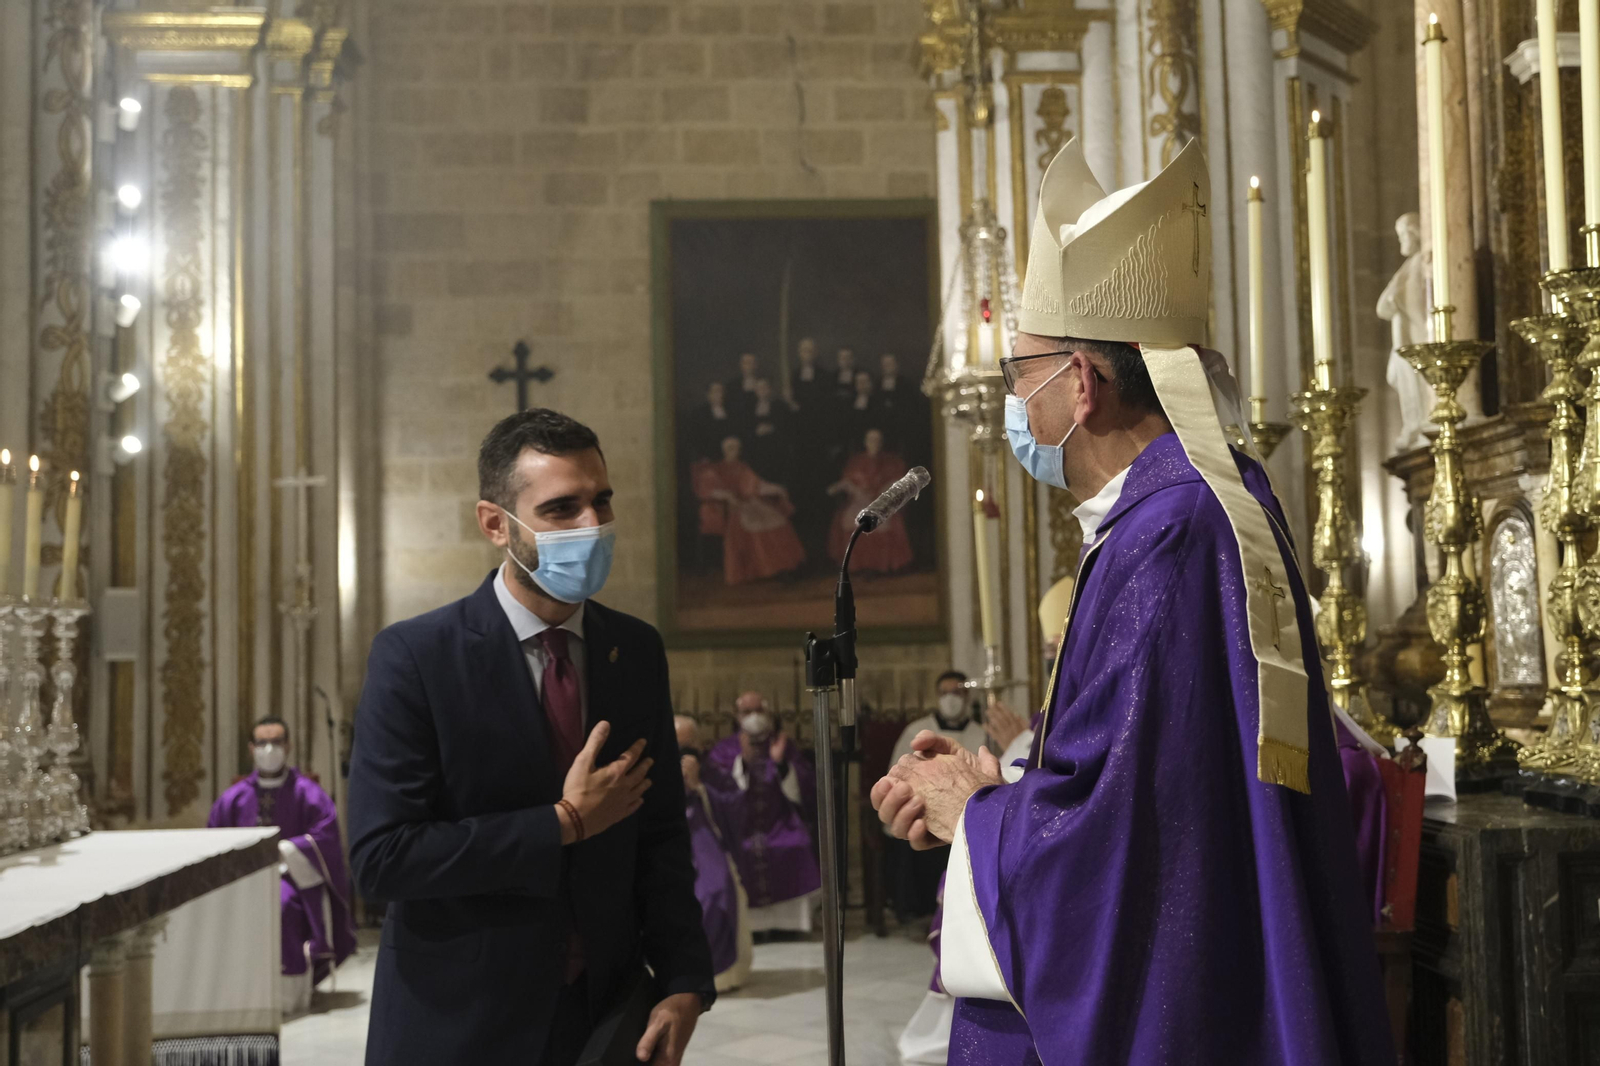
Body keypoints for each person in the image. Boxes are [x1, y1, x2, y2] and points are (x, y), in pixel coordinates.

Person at [872, 138, 1394, 1066]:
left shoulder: (1170, 533)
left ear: (1080, 383)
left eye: (1016, 374)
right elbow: (1159, 784)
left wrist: (976, 817)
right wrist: (1007, 789)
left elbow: (1125, 843)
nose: (1010, 403)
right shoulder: (1191, 505)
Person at [348, 409, 714, 1066]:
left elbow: (660, 832)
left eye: (600, 501)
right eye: (561, 508)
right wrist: (563, 823)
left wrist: (685, 981)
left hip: (605, 1015)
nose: (591, 526)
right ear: (496, 524)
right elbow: (383, 857)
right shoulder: (416, 657)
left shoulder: (633, 649)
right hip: (462, 1018)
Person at [208, 716, 357, 1017]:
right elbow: (213, 842)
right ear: (251, 749)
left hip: (292, 878)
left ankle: (287, 996)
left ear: (288, 745)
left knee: (282, 904)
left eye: (276, 742)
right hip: (242, 878)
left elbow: (325, 837)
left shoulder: (308, 793)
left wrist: (284, 849)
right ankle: (239, 990)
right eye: (262, 743)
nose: (269, 749)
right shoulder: (233, 799)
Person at [700, 693, 821, 936]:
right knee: (739, 852)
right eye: (746, 711)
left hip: (780, 824)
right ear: (736, 716)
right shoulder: (724, 750)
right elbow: (717, 793)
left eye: (758, 710)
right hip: (737, 829)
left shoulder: (782, 745)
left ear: (768, 713)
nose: (753, 716)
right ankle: (751, 928)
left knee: (795, 846)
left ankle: (790, 926)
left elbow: (805, 787)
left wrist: (780, 764)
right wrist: (743, 763)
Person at [883, 672, 985, 928]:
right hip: (924, 815)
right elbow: (897, 773)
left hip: (969, 819)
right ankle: (922, 912)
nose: (951, 698)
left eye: (958, 692)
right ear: (937, 696)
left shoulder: (981, 734)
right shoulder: (916, 731)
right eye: (945, 693)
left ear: (967, 696)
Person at [675, 715, 754, 993]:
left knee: (716, 890)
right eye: (677, 746)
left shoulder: (713, 770)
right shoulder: (656, 766)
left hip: (705, 836)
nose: (684, 753)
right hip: (673, 838)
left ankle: (720, 973)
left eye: (688, 745)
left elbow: (735, 806)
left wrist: (699, 788)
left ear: (698, 743)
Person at [690, 436, 806, 585]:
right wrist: (728, 496)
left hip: (748, 502)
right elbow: (708, 489)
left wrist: (776, 488)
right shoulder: (715, 469)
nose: (735, 452)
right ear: (723, 450)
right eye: (731, 448)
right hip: (732, 506)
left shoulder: (742, 466)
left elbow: (756, 485)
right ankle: (765, 568)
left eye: (737, 449)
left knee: (778, 519)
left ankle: (782, 566)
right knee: (754, 522)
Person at [827, 428, 913, 574]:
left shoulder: (892, 461)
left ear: (882, 442)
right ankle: (857, 564)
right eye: (870, 439)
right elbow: (848, 481)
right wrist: (852, 490)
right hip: (859, 499)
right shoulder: (855, 461)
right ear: (865, 441)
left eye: (877, 439)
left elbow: (900, 481)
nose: (874, 443)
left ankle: (881, 565)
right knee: (849, 517)